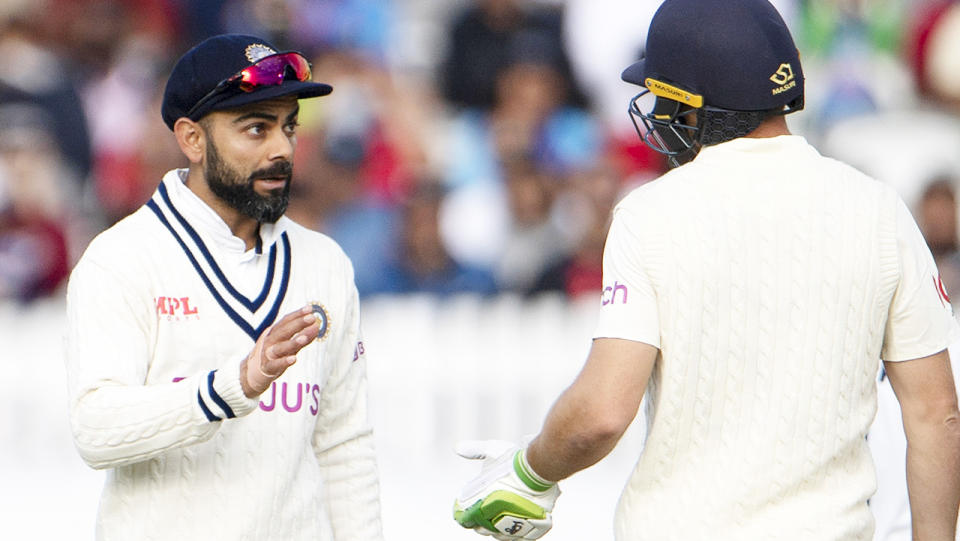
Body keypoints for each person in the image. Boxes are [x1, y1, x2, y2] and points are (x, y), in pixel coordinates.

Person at [452, 1, 960, 540]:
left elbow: (602, 413)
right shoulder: (878, 210)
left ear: (696, 105)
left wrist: (530, 473)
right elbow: (937, 416)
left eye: (665, 98)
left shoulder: (650, 215)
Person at [64, 34, 383, 540]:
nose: (282, 149)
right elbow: (96, 430)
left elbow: (344, 446)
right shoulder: (121, 259)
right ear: (191, 138)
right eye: (256, 129)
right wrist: (234, 385)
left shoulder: (325, 264)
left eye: (289, 127)